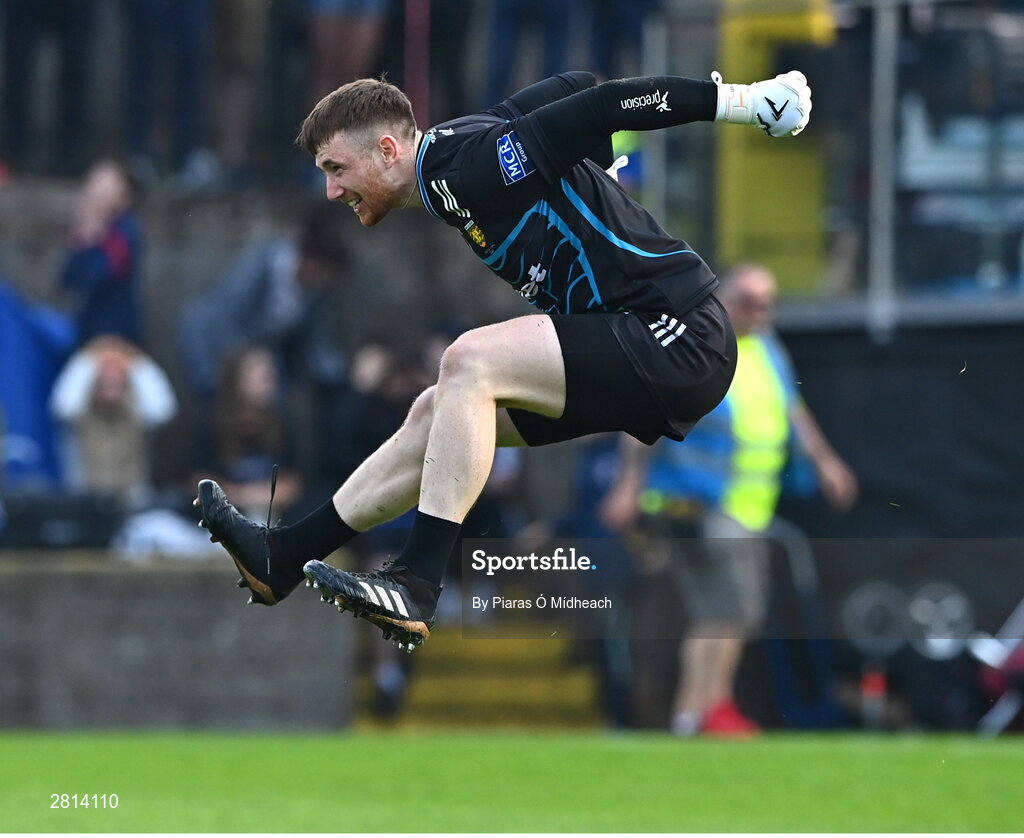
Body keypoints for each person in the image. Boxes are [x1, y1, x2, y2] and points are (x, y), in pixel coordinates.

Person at [195, 67, 814, 652]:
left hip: (677, 334)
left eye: (337, 168)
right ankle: (286, 556)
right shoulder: (462, 153)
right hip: (641, 339)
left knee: (469, 360)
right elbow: (575, 86)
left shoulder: (473, 166)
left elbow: (603, 102)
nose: (331, 189)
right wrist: (590, 166)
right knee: (437, 412)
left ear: (387, 151)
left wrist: (749, 102)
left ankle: (415, 583)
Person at [601, 263, 858, 736]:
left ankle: (692, 712)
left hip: (744, 508)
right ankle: (709, 708)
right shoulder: (698, 344)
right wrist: (628, 484)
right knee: (729, 609)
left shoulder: (769, 350)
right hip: (699, 505)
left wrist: (826, 463)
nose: (761, 313)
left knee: (716, 612)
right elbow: (648, 415)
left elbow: (793, 414)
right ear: (726, 299)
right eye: (750, 302)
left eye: (768, 303)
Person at [50, 335, 178, 509]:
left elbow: (163, 408)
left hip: (132, 503)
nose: (110, 387)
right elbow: (63, 403)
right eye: (103, 382)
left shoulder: (141, 416)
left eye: (116, 382)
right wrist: (90, 357)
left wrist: (134, 359)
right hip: (83, 503)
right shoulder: (76, 415)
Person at [58, 159, 144, 348]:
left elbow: (100, 275)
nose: (96, 192)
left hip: (115, 333)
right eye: (94, 184)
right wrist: (81, 240)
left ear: (124, 197)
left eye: (105, 186)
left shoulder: (125, 231)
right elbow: (66, 280)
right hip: (86, 327)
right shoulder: (89, 229)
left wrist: (91, 239)